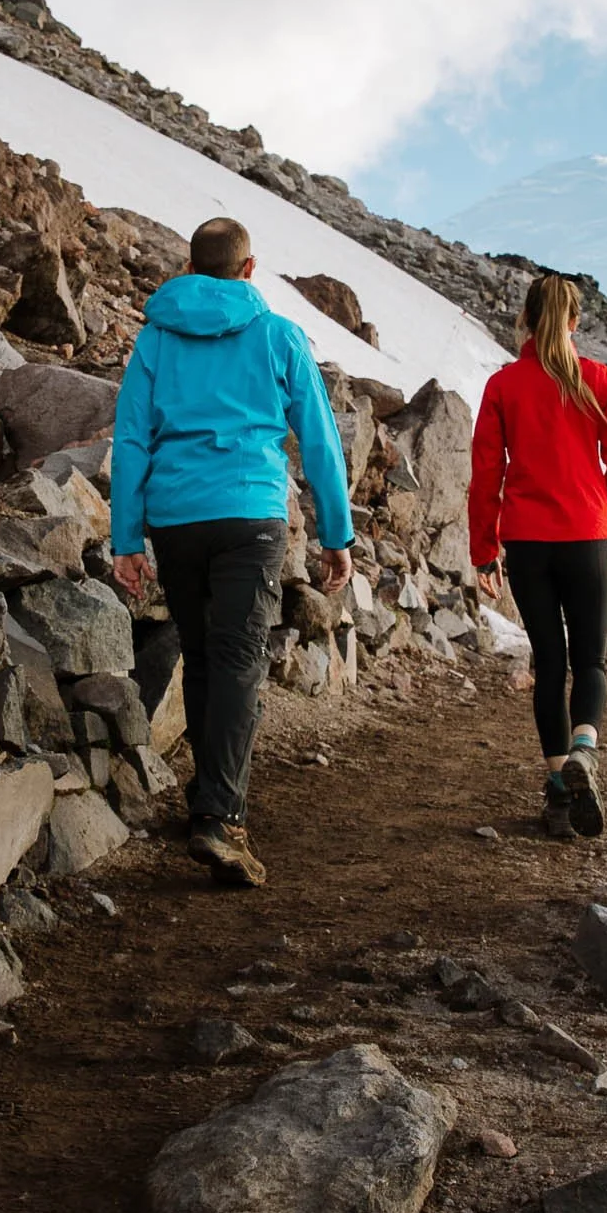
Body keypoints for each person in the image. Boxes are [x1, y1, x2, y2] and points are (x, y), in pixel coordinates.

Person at [110, 216, 354, 887]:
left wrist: (126, 538)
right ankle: (222, 818)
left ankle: (205, 801)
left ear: (193, 267)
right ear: (251, 269)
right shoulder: (279, 336)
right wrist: (337, 535)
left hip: (175, 517)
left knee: (204, 652)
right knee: (240, 656)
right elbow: (321, 441)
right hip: (248, 512)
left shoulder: (157, 337)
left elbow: (130, 438)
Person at [469, 271, 607, 840]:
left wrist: (484, 549)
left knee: (550, 663)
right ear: (574, 322)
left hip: (525, 540)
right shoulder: (598, 380)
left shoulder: (504, 386)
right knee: (589, 662)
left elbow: (486, 473)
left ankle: (558, 792)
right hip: (586, 536)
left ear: (525, 318)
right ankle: (585, 752)